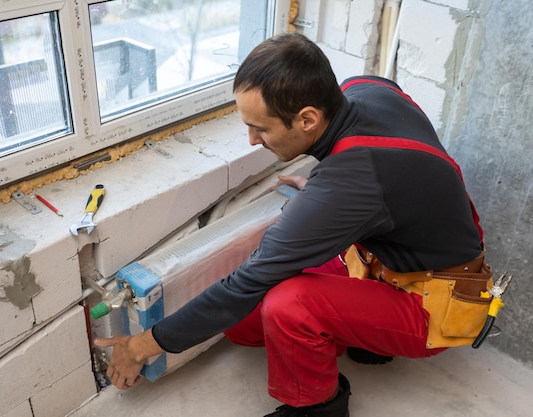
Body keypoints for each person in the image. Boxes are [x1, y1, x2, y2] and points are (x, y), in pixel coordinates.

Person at [95, 32, 493, 417]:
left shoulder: (351, 183)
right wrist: (341, 200)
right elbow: (397, 175)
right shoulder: (365, 88)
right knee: (243, 327)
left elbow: (247, 283)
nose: (252, 139)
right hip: (388, 260)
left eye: (262, 128)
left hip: (435, 305)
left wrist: (142, 345)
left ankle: (321, 406)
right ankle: (362, 338)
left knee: (289, 306)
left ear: (307, 118)